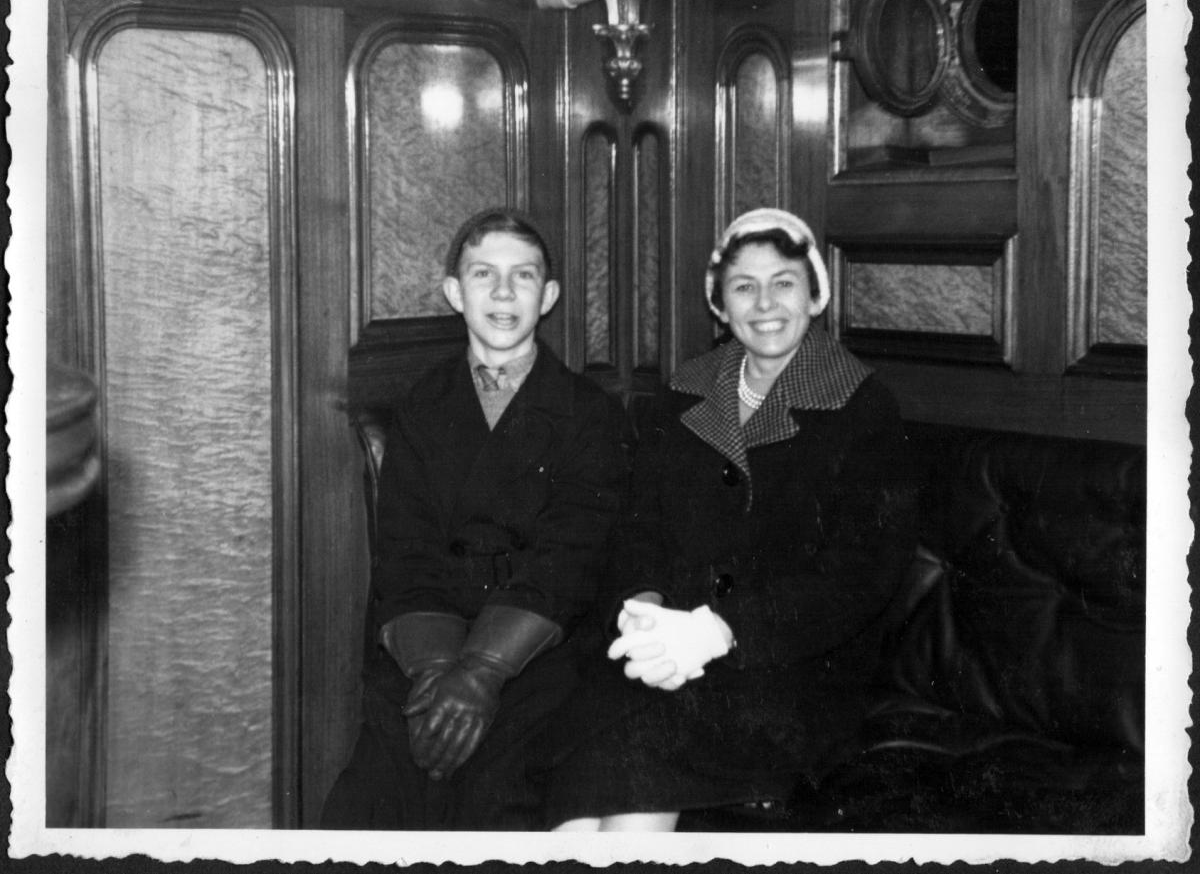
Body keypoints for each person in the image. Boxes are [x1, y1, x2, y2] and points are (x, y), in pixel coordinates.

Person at [541, 207, 916, 831]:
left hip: (789, 675)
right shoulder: (686, 392)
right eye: (744, 286)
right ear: (720, 305)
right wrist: (644, 607)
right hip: (670, 648)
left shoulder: (862, 406)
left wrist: (718, 632)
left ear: (815, 295)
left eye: (785, 283)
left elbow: (862, 578)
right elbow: (641, 526)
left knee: (635, 768)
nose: (765, 302)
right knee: (579, 776)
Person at [322, 208, 627, 830]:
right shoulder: (420, 405)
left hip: (536, 647)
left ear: (549, 297)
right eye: (484, 274)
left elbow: (570, 560)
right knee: (374, 795)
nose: (504, 293)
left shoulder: (591, 414)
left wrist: (484, 670)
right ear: (456, 293)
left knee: (493, 793)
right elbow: (404, 552)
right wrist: (441, 674)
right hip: (425, 640)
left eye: (524, 276)